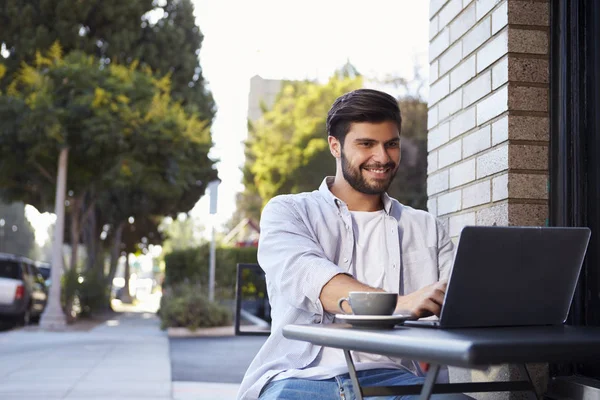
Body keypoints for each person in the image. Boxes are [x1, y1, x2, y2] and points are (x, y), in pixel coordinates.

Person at [237, 89, 466, 400]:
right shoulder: (289, 212)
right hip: (299, 379)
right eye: (366, 144)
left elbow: (459, 309)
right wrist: (400, 303)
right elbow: (315, 280)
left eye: (391, 144)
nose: (382, 158)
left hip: (393, 380)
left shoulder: (426, 228)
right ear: (335, 146)